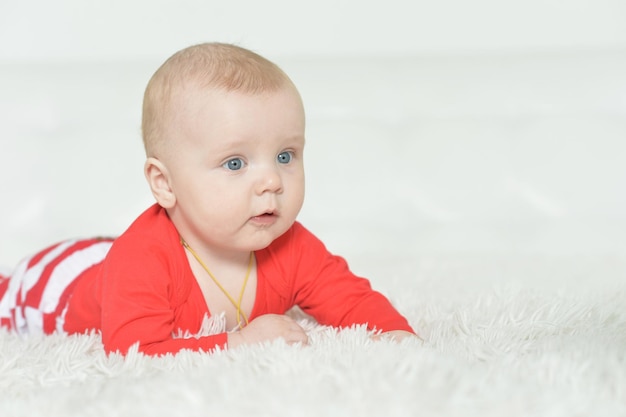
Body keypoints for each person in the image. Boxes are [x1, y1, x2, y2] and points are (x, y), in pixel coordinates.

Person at [0, 43, 417, 356]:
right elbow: (133, 352)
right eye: (235, 163)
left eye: (285, 155)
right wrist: (238, 342)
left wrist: (400, 336)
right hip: (59, 282)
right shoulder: (140, 261)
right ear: (165, 184)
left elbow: (351, 299)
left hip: (123, 254)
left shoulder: (291, 245)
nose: (272, 179)